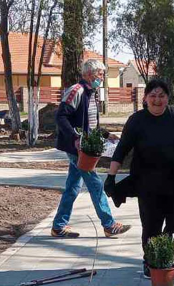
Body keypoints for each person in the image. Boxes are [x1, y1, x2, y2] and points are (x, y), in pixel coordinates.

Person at [104, 79, 174, 278]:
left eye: (161, 95)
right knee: (151, 225)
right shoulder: (136, 120)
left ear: (167, 98)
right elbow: (121, 150)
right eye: (153, 95)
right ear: (145, 98)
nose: (157, 100)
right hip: (148, 183)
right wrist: (111, 176)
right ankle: (151, 261)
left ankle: (162, 252)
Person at [51, 59, 130, 239]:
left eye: (102, 75)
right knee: (95, 184)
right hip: (77, 148)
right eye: (99, 74)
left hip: (83, 146)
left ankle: (58, 226)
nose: (102, 78)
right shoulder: (76, 91)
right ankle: (109, 224)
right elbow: (61, 117)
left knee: (72, 187)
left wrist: (105, 134)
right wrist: (75, 138)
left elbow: (88, 124)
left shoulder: (91, 93)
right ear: (88, 74)